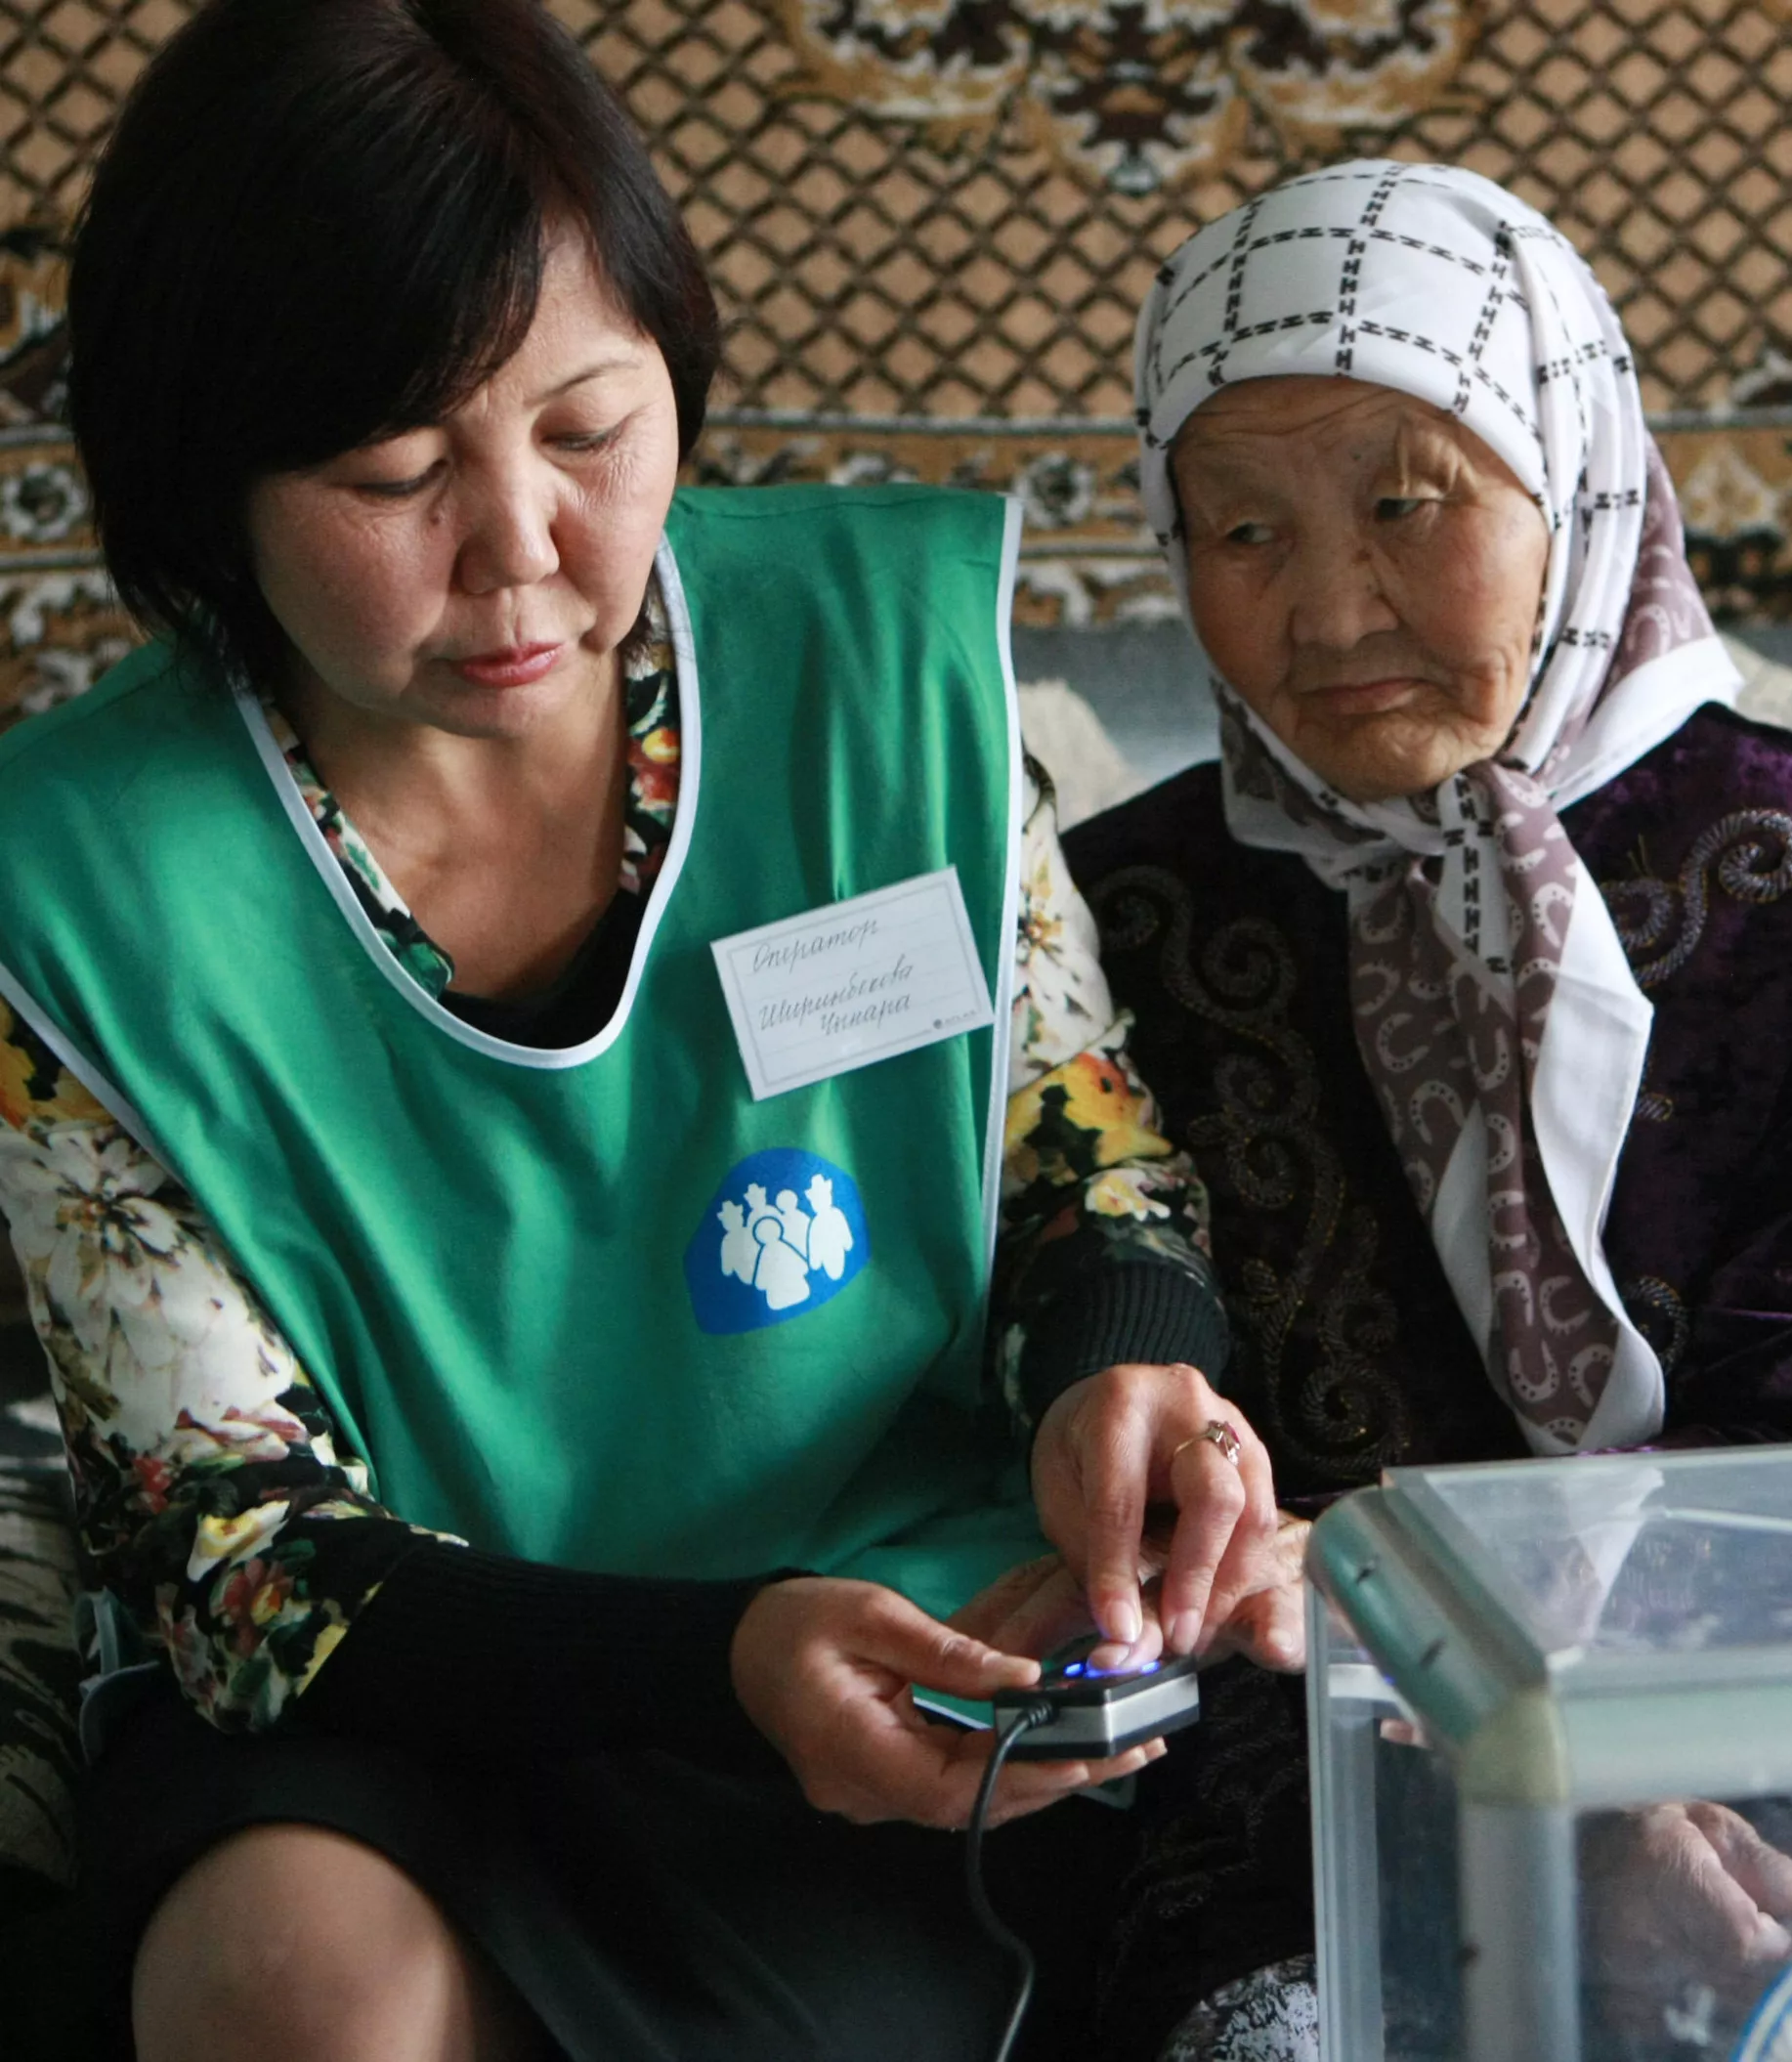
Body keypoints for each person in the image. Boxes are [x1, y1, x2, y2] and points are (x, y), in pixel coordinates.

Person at [0, 3, 1291, 2056]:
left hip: (923, 1615)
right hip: (404, 1683)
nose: (522, 548)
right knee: (292, 1985)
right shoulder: (76, 888)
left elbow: (1081, 1159)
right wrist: (715, 1666)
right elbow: (240, 1551)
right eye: (394, 474)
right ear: (207, 484)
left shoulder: (884, 673)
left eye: (592, 430)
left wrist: (1123, 1372)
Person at [1062, 159, 1792, 2059]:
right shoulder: (1112, 920)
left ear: (1572, 475)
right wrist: (1453, 1768)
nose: (1329, 609)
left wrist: (1607, 1777)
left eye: (1406, 504)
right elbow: (1110, 1457)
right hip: (1301, 1804)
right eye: (1242, 528)